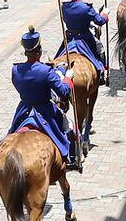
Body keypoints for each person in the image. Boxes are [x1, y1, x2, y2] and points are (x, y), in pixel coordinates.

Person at [9, 28, 78, 172]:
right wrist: (68, 78)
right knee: (71, 128)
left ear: (26, 52)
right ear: (39, 52)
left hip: (24, 110)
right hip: (45, 111)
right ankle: (72, 159)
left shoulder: (15, 70)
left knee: (11, 135)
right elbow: (63, 91)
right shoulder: (46, 71)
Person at [58, 0, 109, 77]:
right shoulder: (86, 8)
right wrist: (105, 13)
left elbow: (64, 19)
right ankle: (102, 72)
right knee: (100, 48)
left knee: (58, 57)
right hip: (85, 38)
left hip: (70, 38)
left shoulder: (64, 7)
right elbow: (100, 21)